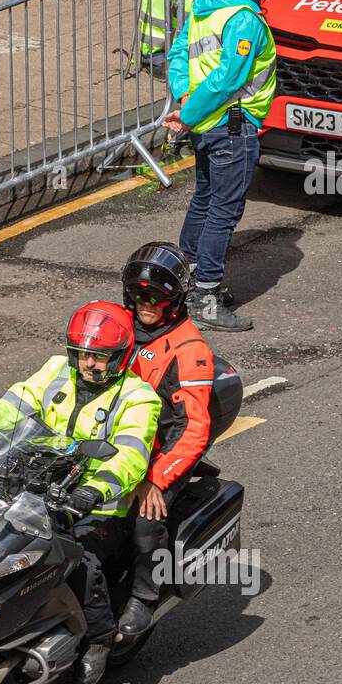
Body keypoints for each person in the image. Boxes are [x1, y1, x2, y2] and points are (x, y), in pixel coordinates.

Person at [0, 301, 160, 684]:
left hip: (94, 506)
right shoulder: (55, 371)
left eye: (99, 357)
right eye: (83, 354)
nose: (88, 364)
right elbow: (10, 407)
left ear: (120, 356)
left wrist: (94, 491)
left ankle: (99, 638)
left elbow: (132, 457)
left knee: (78, 561)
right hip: (35, 485)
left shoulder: (138, 397)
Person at [167, 0, 276, 333]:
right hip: (232, 124)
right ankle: (205, 297)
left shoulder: (206, 3)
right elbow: (229, 78)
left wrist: (184, 99)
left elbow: (178, 53)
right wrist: (189, 112)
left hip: (206, 125)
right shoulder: (242, 18)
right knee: (224, 211)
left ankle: (186, 278)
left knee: (205, 198)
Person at [120, 242, 215, 636]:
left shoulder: (190, 350)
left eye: (157, 298)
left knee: (146, 523)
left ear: (174, 300)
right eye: (140, 295)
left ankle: (144, 597)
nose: (147, 304)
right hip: (112, 440)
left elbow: (193, 427)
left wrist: (156, 479)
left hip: (159, 453)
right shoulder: (118, 325)